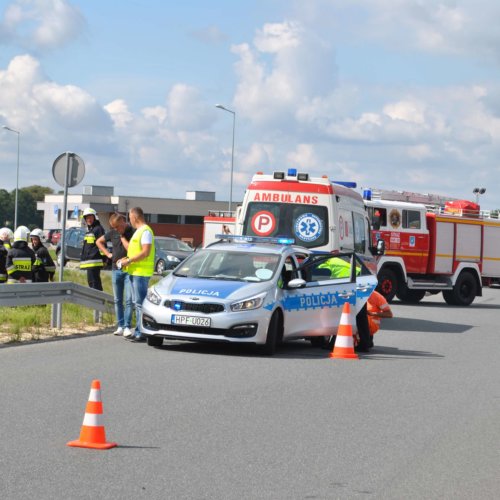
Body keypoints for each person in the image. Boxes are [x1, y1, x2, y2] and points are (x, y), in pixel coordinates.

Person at [118, 207, 155, 342]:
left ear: (135, 217)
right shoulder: (139, 232)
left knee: (140, 304)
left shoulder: (145, 231)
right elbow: (134, 251)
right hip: (135, 271)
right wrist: (125, 260)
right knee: (136, 303)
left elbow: (145, 252)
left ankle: (141, 332)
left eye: (130, 217)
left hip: (141, 273)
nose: (130, 220)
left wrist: (129, 260)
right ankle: (139, 330)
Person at [97, 213, 134, 337]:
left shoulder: (132, 232)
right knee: (118, 300)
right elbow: (99, 241)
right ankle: (120, 325)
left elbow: (131, 250)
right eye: (114, 228)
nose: (116, 230)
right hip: (115, 269)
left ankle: (128, 327)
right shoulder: (113, 232)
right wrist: (108, 254)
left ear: (123, 222)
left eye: (117, 227)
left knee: (129, 299)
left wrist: (123, 237)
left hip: (129, 269)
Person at [80, 208, 105, 291]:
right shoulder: (91, 230)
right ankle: (96, 302)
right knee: (92, 283)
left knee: (95, 284)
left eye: (90, 217)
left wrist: (104, 259)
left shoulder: (98, 229)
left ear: (95, 217)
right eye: (86, 218)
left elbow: (102, 245)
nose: (88, 219)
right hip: (90, 263)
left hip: (95, 262)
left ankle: (98, 302)